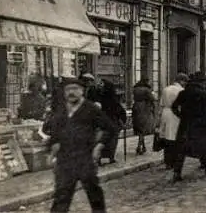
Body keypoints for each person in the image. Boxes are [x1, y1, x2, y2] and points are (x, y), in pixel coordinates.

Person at [47, 77, 117, 213]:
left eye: (75, 89)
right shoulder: (60, 111)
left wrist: (99, 146)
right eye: (68, 89)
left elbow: (110, 128)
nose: (71, 92)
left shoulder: (91, 109)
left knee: (94, 193)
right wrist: (53, 149)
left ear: (82, 91)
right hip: (65, 160)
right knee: (61, 196)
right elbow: (54, 132)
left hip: (85, 158)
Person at [172, 72, 206, 181]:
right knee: (204, 146)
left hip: (185, 123)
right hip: (200, 124)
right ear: (201, 82)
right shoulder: (203, 94)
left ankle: (177, 172)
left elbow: (174, 106)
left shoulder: (183, 93)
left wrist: (181, 116)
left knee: (182, 149)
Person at [157, 73, 188, 169]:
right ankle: (174, 161)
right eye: (185, 82)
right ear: (181, 81)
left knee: (166, 138)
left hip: (165, 113)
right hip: (175, 114)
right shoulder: (181, 90)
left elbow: (161, 104)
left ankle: (167, 161)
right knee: (175, 138)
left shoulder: (166, 89)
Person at [98, 80, 127, 165]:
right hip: (111, 122)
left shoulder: (101, 97)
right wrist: (122, 120)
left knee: (103, 140)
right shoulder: (113, 98)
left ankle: (101, 157)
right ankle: (110, 157)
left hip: (103, 121)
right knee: (112, 140)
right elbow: (119, 110)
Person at [132, 79, 156, 155]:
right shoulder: (147, 90)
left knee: (139, 127)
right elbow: (152, 99)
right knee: (143, 128)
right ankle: (139, 146)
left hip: (136, 107)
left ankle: (143, 146)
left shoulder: (135, 89)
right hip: (144, 108)